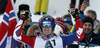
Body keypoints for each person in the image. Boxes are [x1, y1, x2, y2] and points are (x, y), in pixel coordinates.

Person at [13, 14, 84, 48]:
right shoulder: (33, 40)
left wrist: (77, 18)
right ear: (40, 27)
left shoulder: (62, 39)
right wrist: (22, 19)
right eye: (44, 24)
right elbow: (16, 36)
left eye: (48, 24)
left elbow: (79, 36)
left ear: (53, 26)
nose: (46, 27)